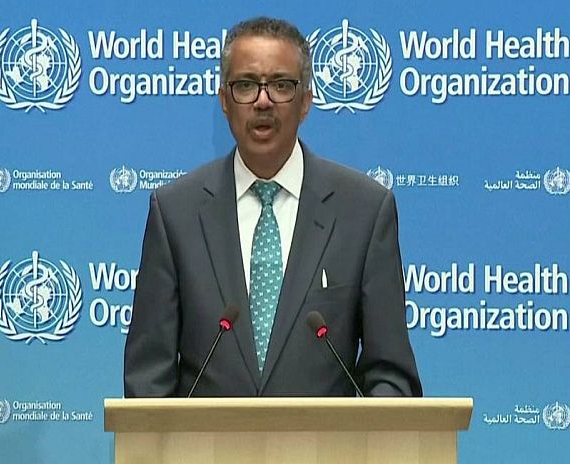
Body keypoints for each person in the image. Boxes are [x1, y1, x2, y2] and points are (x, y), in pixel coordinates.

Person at [124, 17, 422, 397]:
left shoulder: (364, 211)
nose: (262, 101)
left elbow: (391, 376)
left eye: (281, 85)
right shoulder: (175, 213)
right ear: (224, 101)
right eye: (246, 85)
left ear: (306, 102)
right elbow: (148, 381)